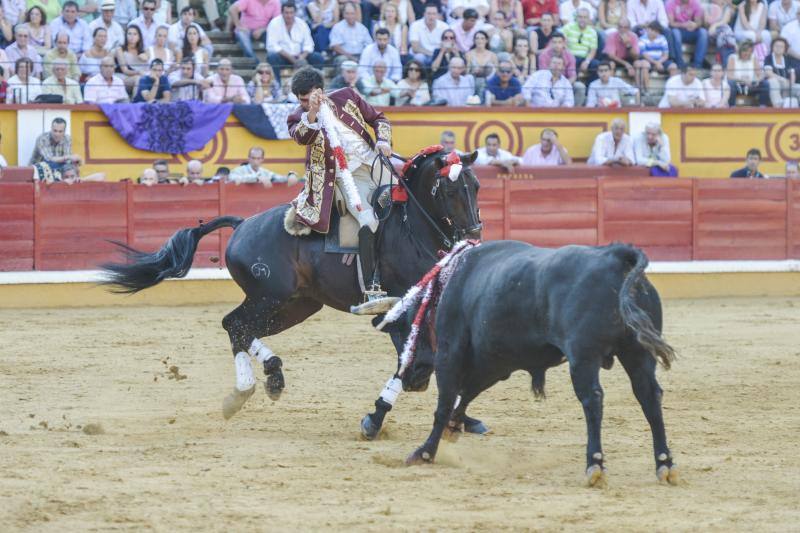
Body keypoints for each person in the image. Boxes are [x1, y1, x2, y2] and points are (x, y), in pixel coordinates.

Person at [285, 66, 395, 308]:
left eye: (307, 98)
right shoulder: (298, 116)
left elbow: (379, 119)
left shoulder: (347, 95)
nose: (303, 103)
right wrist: (311, 112)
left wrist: (384, 141)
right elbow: (301, 136)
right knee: (368, 221)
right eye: (300, 100)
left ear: (320, 91)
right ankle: (371, 288)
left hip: (375, 162)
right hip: (345, 178)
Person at [266, 1, 324, 83]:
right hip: (283, 56)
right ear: (282, 13)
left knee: (318, 58)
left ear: (295, 13)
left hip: (300, 56)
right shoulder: (274, 23)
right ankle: (277, 85)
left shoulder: (302, 23)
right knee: (272, 57)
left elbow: (309, 44)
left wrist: (302, 57)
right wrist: (290, 57)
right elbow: (272, 45)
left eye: (291, 13)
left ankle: (317, 84)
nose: (289, 15)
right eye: (286, 13)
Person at [537, 33, 584, 104]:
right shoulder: (543, 56)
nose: (557, 45)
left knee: (580, 87)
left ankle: (575, 112)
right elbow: (543, 75)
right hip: (547, 83)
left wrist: (563, 85)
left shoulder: (570, 56)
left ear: (564, 43)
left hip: (565, 83)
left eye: (559, 42)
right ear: (551, 43)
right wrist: (554, 85)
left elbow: (573, 76)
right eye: (554, 42)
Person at [666, 0, 707, 69]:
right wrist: (684, 25)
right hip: (677, 29)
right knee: (676, 33)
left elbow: (699, 22)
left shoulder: (695, 3)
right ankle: (679, 63)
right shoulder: (671, 3)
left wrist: (695, 25)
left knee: (703, 32)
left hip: (690, 31)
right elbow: (671, 23)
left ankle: (698, 64)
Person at [329, 2, 372, 66]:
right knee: (342, 60)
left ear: (356, 14)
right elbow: (335, 46)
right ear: (343, 14)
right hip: (344, 56)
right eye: (347, 13)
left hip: (360, 55)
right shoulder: (337, 27)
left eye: (352, 13)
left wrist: (364, 56)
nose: (350, 16)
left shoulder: (362, 28)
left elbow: (369, 45)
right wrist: (351, 57)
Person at [760, 37, 800, 107]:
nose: (778, 48)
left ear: (785, 49)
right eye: (776, 46)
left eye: (781, 46)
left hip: (787, 83)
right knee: (772, 81)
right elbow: (768, 73)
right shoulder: (768, 58)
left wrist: (790, 83)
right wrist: (783, 80)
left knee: (798, 88)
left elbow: (792, 74)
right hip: (776, 82)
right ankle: (778, 105)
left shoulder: (788, 59)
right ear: (772, 47)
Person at [229, 146, 299, 185]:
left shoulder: (265, 172)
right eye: (253, 158)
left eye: (258, 158)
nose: (255, 161)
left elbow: (277, 178)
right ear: (249, 158)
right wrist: (256, 178)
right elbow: (232, 178)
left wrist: (290, 175)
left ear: (262, 159)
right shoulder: (239, 170)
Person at [638, 21, 673, 96]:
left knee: (673, 67)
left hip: (660, 61)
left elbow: (666, 55)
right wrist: (656, 63)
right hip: (649, 61)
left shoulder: (662, 38)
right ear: (648, 29)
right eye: (653, 30)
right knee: (645, 65)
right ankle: (647, 91)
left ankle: (670, 92)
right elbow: (644, 55)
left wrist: (659, 62)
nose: (655, 33)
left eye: (657, 31)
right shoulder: (642, 39)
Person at [562, 8, 598, 78]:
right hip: (569, 56)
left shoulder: (592, 32)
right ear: (576, 18)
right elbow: (563, 44)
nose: (582, 19)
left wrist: (587, 62)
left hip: (583, 58)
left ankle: (589, 86)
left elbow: (593, 50)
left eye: (585, 17)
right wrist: (570, 57)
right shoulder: (568, 27)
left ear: (588, 19)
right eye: (580, 17)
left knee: (597, 65)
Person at [726, 39, 764, 106]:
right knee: (730, 83)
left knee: (765, 84)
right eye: (745, 51)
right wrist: (743, 80)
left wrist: (757, 80)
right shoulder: (732, 58)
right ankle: (731, 106)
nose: (747, 53)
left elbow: (760, 74)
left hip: (750, 85)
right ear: (740, 51)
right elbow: (729, 76)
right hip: (737, 85)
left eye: (750, 51)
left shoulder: (753, 58)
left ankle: (763, 106)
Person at [116, 24, 147, 90]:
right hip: (123, 77)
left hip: (139, 77)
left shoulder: (142, 51)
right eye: (129, 34)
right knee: (139, 79)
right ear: (126, 35)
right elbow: (125, 70)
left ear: (139, 37)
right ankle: (135, 99)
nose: (132, 36)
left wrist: (146, 58)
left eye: (135, 34)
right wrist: (138, 72)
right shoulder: (120, 49)